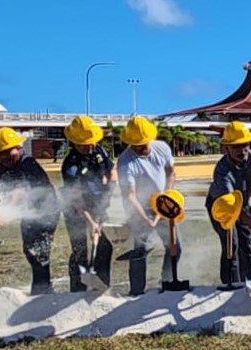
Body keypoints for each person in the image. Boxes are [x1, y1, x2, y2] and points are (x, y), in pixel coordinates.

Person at [0, 127, 60, 295]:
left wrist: (5, 214)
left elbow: (20, 191)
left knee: (39, 251)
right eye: (0, 153)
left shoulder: (28, 164)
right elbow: (2, 188)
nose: (4, 157)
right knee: (29, 249)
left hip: (47, 211)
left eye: (9, 152)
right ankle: (42, 287)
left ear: (19, 149)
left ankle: (42, 289)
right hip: (29, 213)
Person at [117, 115, 178, 296]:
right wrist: (145, 218)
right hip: (138, 207)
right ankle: (137, 291)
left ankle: (167, 283)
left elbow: (171, 173)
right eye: (137, 145)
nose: (142, 148)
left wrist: (165, 197)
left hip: (163, 201)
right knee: (140, 249)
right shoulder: (125, 162)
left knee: (175, 245)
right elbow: (130, 195)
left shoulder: (162, 148)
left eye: (144, 144)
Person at [207, 121, 251, 289]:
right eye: (236, 147)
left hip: (243, 203)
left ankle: (248, 281)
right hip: (222, 205)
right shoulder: (221, 169)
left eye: (245, 145)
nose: (242, 151)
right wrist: (247, 219)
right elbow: (230, 205)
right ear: (226, 147)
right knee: (231, 242)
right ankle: (230, 283)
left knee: (247, 243)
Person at [60, 115, 114, 292]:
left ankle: (101, 284)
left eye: (91, 142)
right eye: (84, 144)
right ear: (74, 142)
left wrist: (110, 185)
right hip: (76, 209)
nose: (89, 146)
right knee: (80, 250)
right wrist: (91, 223)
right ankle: (78, 289)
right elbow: (76, 199)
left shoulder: (99, 151)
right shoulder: (71, 165)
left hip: (98, 204)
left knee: (104, 245)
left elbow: (111, 170)